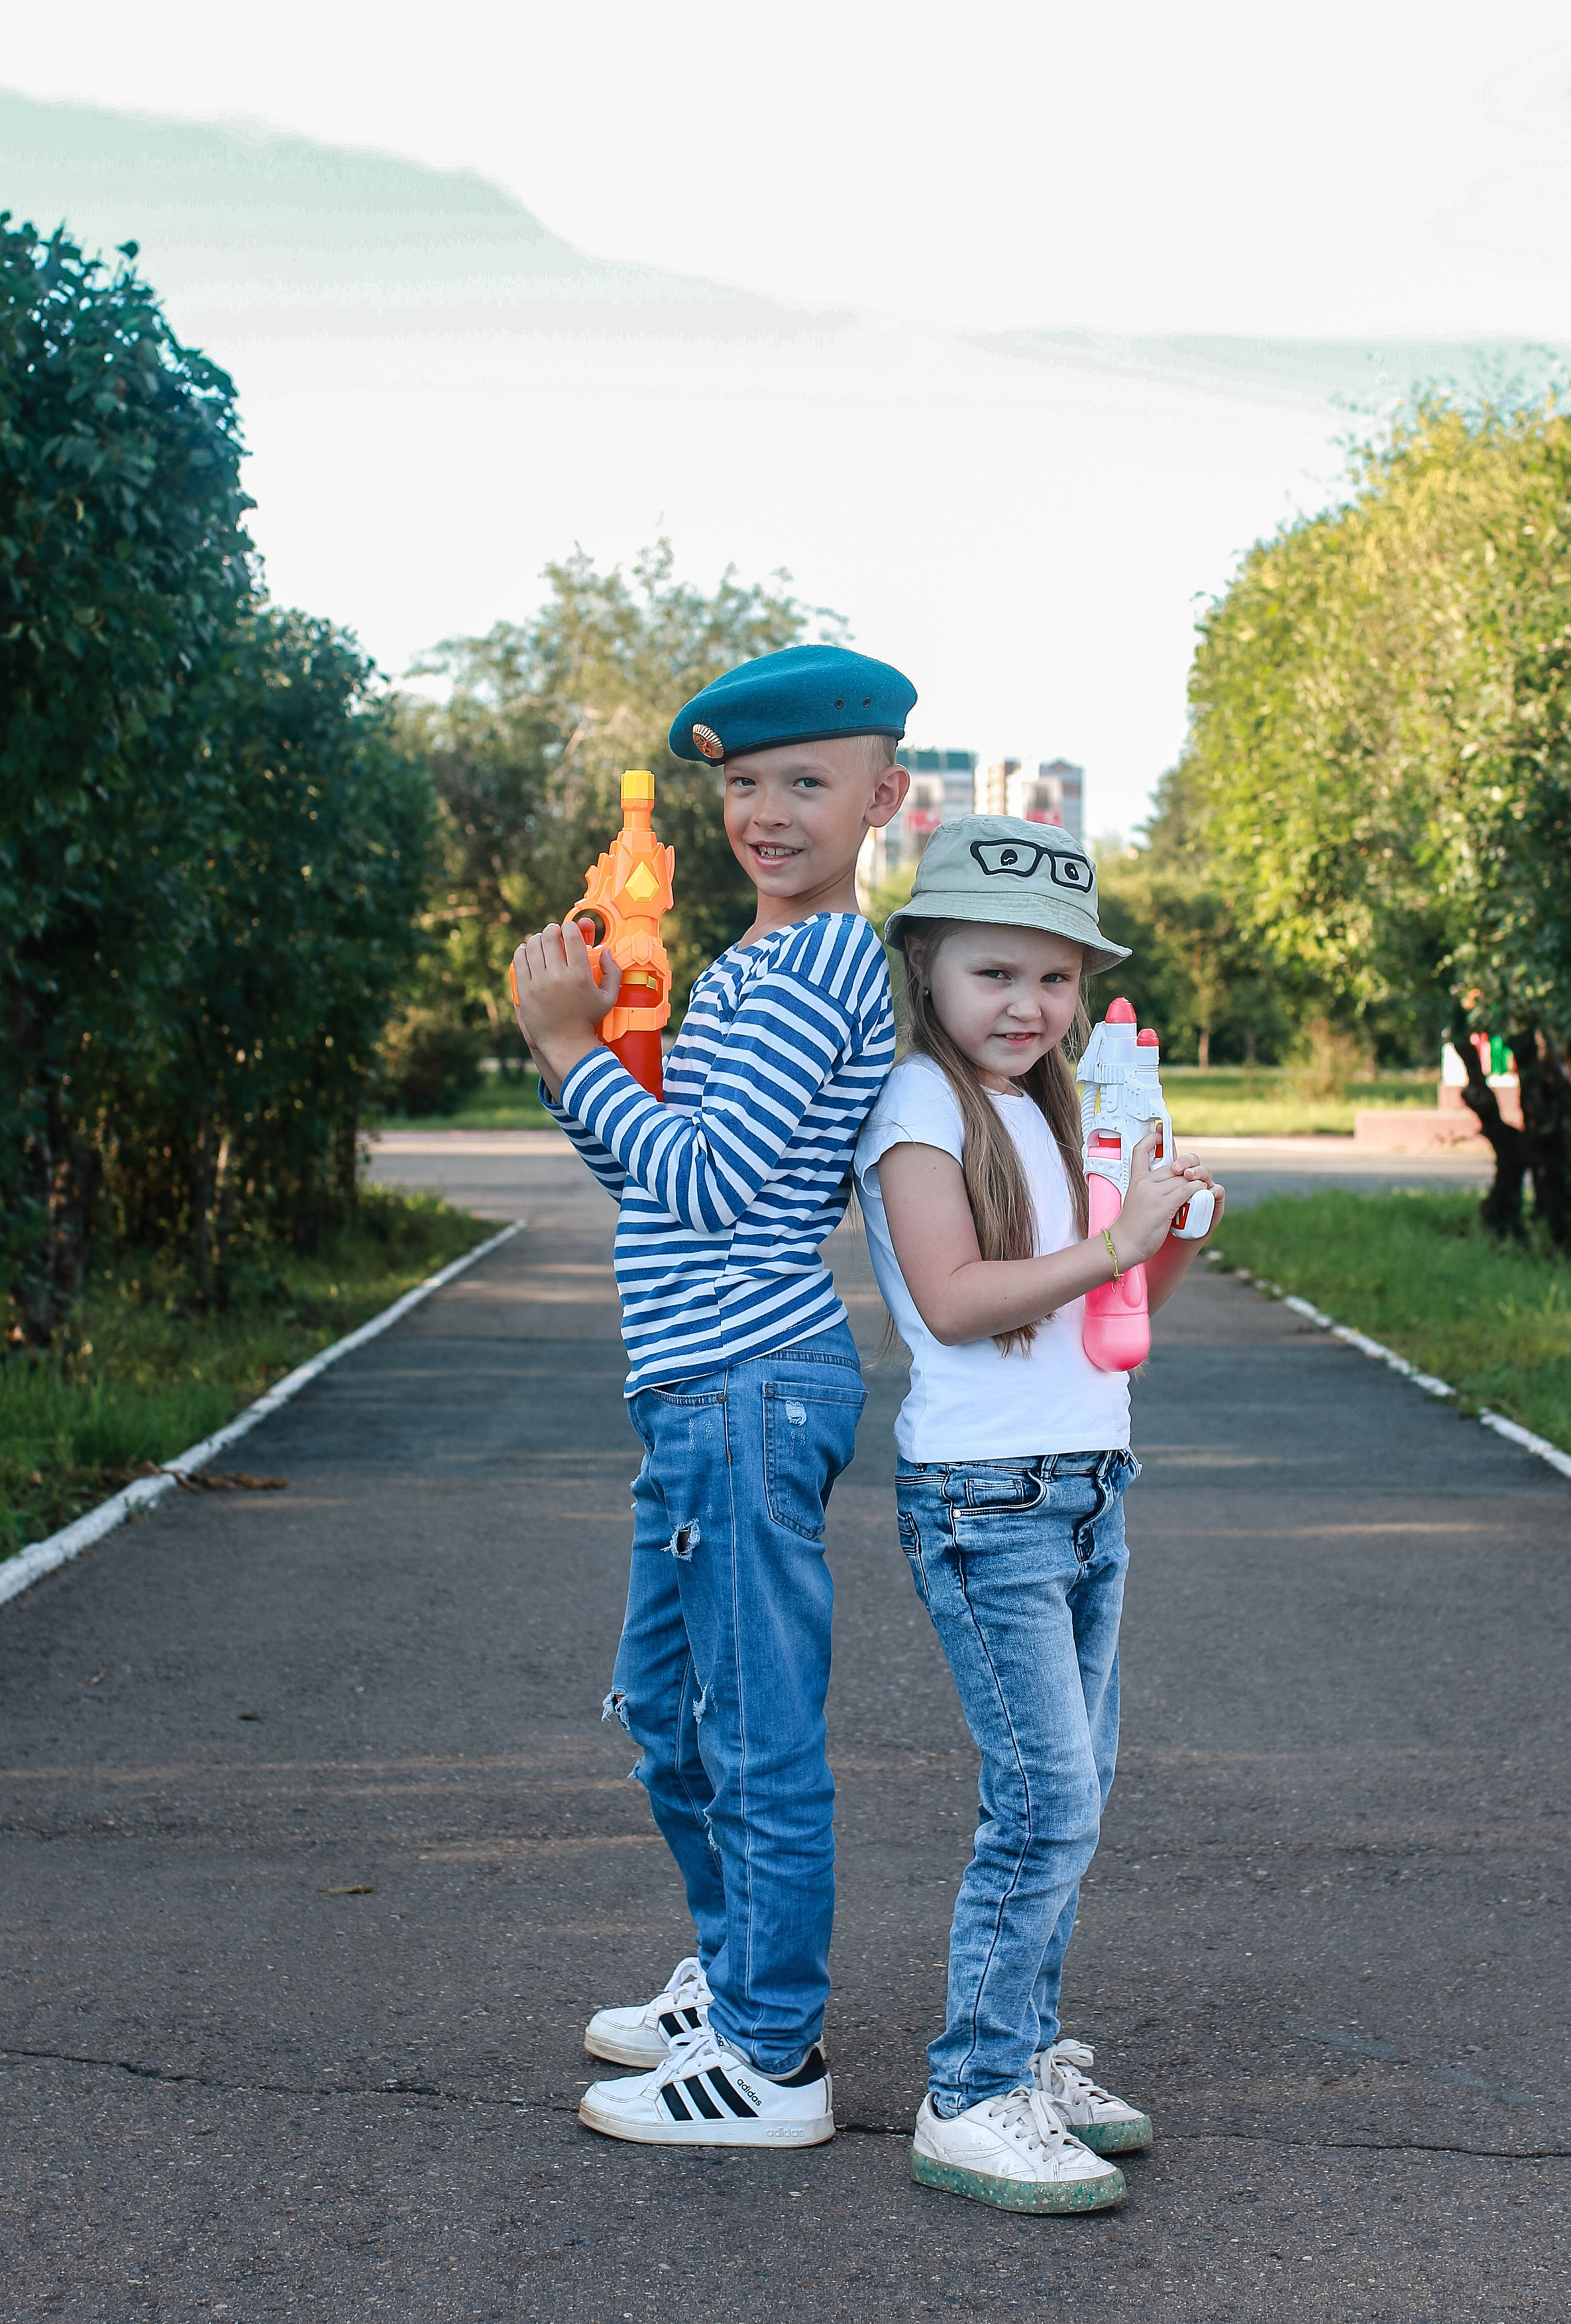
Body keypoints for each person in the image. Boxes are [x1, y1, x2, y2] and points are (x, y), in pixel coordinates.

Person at [509, 643, 913, 2148]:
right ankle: (736, 1976)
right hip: (694, 1388)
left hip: (750, 1382)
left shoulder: (816, 969)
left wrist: (563, 1047)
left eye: (805, 781)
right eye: (742, 783)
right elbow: (653, 1177)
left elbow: (717, 1184)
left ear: (881, 795)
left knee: (749, 1728)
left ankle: (771, 2057)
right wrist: (594, 1053)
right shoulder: (746, 965)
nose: (766, 809)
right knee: (675, 1717)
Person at [851, 815, 1223, 2213]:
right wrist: (1110, 1239)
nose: (1027, 1006)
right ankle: (968, 2090)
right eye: (995, 974)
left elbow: (1108, 1325)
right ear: (927, 967)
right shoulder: (918, 1107)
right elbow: (953, 1302)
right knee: (1041, 1796)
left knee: (1078, 1791)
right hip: (982, 1499)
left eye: (1054, 980)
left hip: (1084, 1483)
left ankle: (1025, 2050)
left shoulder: (1061, 1111)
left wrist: (1163, 1240)